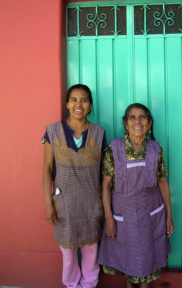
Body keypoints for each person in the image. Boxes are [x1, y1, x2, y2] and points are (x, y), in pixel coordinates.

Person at [98, 103, 174, 288]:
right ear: (126, 124)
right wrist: (108, 217)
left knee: (148, 255)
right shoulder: (113, 149)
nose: (137, 121)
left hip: (151, 214)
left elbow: (163, 182)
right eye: (132, 117)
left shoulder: (156, 149)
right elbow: (106, 185)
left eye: (142, 117)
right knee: (127, 256)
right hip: (124, 214)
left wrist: (169, 216)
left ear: (149, 124)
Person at [42, 84, 106, 288]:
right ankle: (71, 285)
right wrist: (48, 203)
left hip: (91, 204)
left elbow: (104, 173)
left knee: (91, 251)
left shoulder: (99, 132)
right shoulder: (52, 131)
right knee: (68, 254)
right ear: (67, 103)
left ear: (91, 105)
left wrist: (104, 203)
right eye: (74, 100)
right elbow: (46, 169)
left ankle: (88, 285)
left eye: (84, 100)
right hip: (64, 204)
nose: (79, 104)